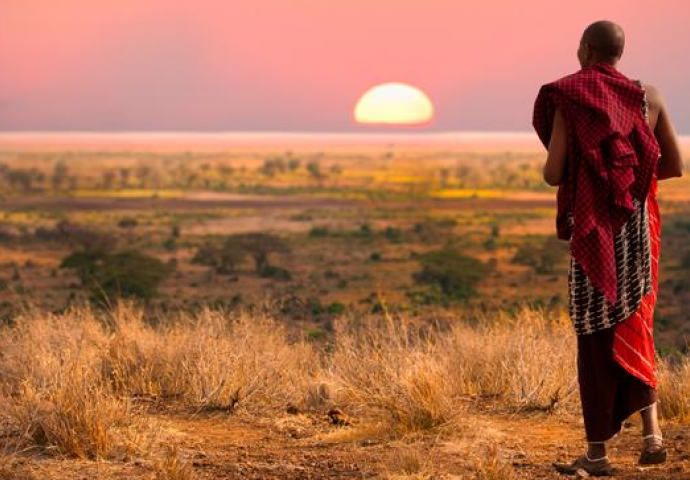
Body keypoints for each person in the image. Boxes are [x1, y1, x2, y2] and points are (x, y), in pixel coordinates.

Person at [533, 20, 684, 476]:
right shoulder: (650, 97)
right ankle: (652, 435)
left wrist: (594, 182)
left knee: (595, 337)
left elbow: (553, 173)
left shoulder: (569, 98)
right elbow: (673, 163)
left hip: (593, 234)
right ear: (619, 54)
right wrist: (626, 181)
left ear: (584, 50)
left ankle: (597, 455)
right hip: (635, 230)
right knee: (635, 324)